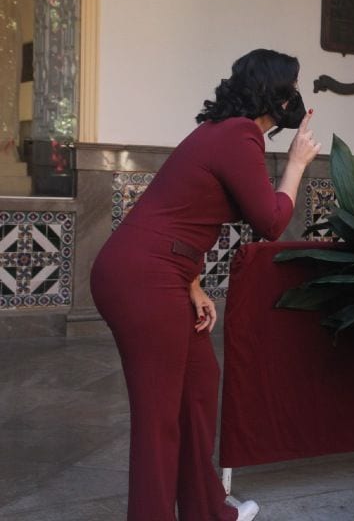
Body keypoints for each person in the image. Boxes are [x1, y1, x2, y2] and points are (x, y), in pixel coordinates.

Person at [90, 49, 321, 521]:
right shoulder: (239, 135)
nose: (297, 98)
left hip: (162, 273)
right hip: (143, 279)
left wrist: (193, 283)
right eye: (292, 89)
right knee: (158, 419)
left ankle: (208, 512)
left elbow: (180, 211)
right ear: (274, 96)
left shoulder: (221, 133)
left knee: (198, 388)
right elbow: (271, 221)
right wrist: (296, 163)